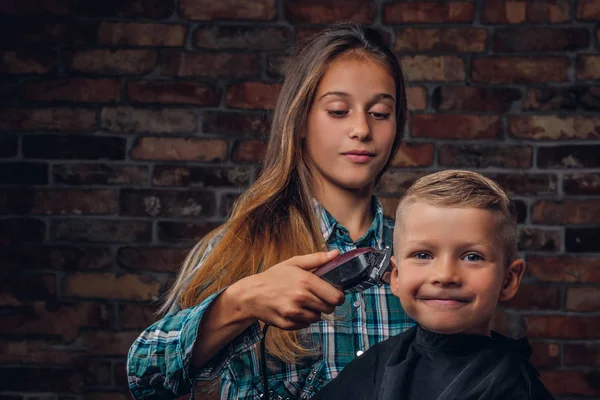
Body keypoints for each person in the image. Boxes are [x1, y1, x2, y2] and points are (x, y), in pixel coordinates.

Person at [126, 22, 414, 400]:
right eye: (339, 111)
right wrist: (241, 301)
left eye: (379, 113)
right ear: (299, 121)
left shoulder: (419, 255)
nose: (361, 129)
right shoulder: (243, 245)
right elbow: (144, 378)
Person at [312, 169, 556, 400]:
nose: (445, 275)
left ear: (508, 280)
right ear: (396, 277)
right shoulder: (376, 364)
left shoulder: (515, 386)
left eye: (472, 257)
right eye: (423, 255)